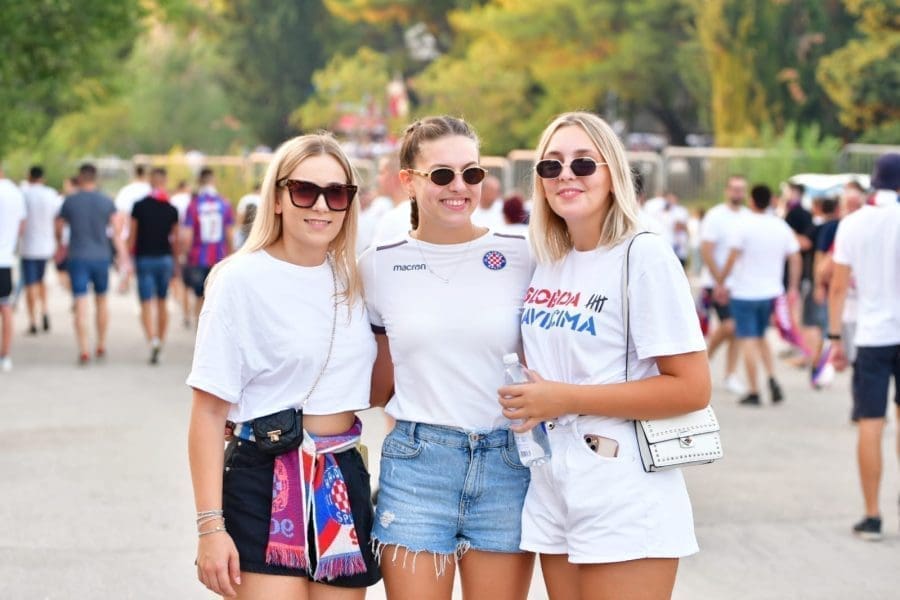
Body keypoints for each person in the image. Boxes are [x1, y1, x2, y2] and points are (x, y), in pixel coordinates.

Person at [499, 111, 710, 600]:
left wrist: (564, 398)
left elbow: (692, 388)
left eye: (583, 163)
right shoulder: (550, 260)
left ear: (613, 173)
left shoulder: (644, 255)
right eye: (551, 166)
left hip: (623, 483)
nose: (566, 175)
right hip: (552, 479)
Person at [187, 134, 381, 598]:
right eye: (304, 190)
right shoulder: (239, 280)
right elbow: (208, 412)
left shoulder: (357, 280)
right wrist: (210, 528)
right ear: (276, 198)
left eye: (336, 193)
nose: (322, 205)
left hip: (340, 475)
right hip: (263, 477)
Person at [359, 116, 535, 600]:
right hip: (418, 465)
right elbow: (374, 379)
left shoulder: (523, 254)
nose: (459, 186)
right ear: (408, 181)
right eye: (442, 175)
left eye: (471, 173)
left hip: (507, 462)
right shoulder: (378, 264)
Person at [828, 152, 900, 541]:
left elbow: (838, 287)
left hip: (872, 334)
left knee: (871, 423)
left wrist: (835, 337)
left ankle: (872, 516)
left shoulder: (852, 224)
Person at [717, 184, 800, 406]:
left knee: (748, 340)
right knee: (762, 337)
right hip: (771, 292)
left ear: (751, 200)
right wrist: (792, 286)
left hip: (745, 292)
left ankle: (754, 390)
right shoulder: (780, 225)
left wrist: (721, 282)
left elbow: (732, 257)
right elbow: (795, 257)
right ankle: (772, 378)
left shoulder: (743, 225)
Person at [56, 163, 126, 364]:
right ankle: (101, 344)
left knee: (80, 302)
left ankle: (84, 349)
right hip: (101, 256)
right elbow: (117, 229)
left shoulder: (70, 201)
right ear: (96, 178)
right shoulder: (106, 201)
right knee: (102, 300)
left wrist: (60, 244)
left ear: (80, 177)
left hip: (78, 256)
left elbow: (59, 226)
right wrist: (121, 254)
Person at [699, 175, 751, 395]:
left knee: (737, 330)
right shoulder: (716, 216)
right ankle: (703, 362)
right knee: (730, 325)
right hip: (716, 281)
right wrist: (719, 281)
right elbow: (706, 250)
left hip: (739, 285)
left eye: (741, 189)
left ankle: (730, 374)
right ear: (727, 191)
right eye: (734, 189)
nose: (738, 193)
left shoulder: (748, 216)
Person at [128, 167, 179, 364]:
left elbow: (132, 237)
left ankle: (152, 340)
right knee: (162, 301)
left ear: (150, 182)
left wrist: (127, 259)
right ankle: (161, 340)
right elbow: (175, 239)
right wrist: (176, 262)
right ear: (164, 182)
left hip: (144, 258)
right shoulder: (171, 209)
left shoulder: (138, 206)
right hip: (165, 258)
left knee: (145, 302)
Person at [182, 167, 235, 323]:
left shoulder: (194, 205)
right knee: (215, 296)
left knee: (199, 295)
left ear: (199, 182)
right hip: (219, 257)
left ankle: (199, 329)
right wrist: (232, 255)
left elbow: (187, 235)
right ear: (214, 181)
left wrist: (185, 254)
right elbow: (230, 234)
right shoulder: (224, 204)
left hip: (198, 257)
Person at [20, 165, 62, 335]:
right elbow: (58, 220)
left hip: (29, 246)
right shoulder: (51, 194)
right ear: (43, 178)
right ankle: (44, 309)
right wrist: (58, 242)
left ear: (29, 176)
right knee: (42, 280)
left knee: (30, 283)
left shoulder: (24, 194)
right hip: (46, 245)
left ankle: (33, 321)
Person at [0, 164, 27, 372]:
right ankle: (5, 355)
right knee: (6, 307)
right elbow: (22, 226)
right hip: (5, 259)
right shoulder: (14, 192)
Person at [114, 165, 152, 293]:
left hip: (128, 230)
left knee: (127, 258)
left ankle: (125, 281)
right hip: (148, 232)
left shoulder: (126, 191)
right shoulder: (150, 190)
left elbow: (120, 215)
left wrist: (119, 234)